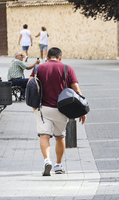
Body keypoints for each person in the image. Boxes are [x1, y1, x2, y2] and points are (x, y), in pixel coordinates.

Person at [31, 47, 86, 176]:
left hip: (43, 108)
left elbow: (31, 86)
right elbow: (77, 90)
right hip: (62, 109)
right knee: (60, 136)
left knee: (44, 135)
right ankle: (58, 165)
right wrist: (82, 110)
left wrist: (33, 106)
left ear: (47, 56)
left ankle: (47, 160)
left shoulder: (38, 68)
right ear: (60, 57)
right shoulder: (67, 68)